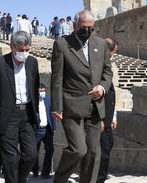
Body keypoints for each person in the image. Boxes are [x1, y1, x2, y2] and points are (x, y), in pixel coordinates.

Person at [51, 10, 112, 183]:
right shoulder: (62, 45)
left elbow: (107, 72)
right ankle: (60, 179)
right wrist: (56, 107)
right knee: (78, 149)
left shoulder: (100, 44)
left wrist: (102, 87)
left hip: (95, 107)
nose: (87, 31)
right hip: (72, 106)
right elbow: (57, 79)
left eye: (90, 28)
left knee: (93, 152)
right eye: (83, 27)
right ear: (75, 26)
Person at [0, 31, 40, 183]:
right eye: (21, 50)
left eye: (27, 50)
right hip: (7, 116)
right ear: (12, 47)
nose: (24, 53)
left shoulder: (32, 62)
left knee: (31, 155)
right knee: (10, 160)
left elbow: (35, 88)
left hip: (27, 115)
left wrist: (36, 112)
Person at [97, 38, 118, 183]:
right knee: (102, 151)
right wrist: (100, 120)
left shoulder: (107, 66)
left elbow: (110, 94)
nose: (113, 56)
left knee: (109, 145)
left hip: (108, 118)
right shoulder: (95, 67)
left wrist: (114, 116)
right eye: (113, 53)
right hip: (101, 119)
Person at [32, 83, 56, 179]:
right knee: (34, 151)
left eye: (43, 91)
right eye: (40, 91)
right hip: (36, 130)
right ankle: (34, 171)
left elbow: (52, 114)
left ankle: (45, 172)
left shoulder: (48, 100)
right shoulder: (33, 102)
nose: (42, 93)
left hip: (47, 130)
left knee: (50, 149)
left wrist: (54, 128)